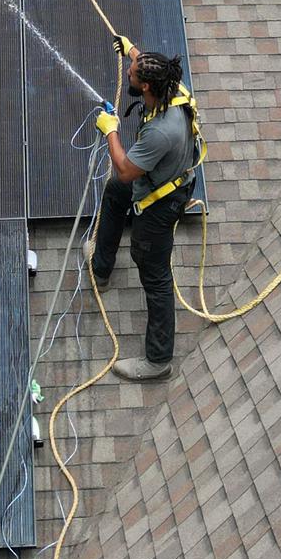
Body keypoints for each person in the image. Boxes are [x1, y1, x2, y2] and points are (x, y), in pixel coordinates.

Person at [90, 40, 200, 381]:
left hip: (159, 202)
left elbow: (124, 169)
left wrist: (110, 132)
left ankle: (157, 361)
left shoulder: (160, 132)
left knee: (154, 273)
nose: (128, 72)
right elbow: (146, 65)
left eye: (133, 73)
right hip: (153, 178)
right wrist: (132, 49)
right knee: (114, 193)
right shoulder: (171, 85)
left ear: (146, 86)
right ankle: (101, 268)